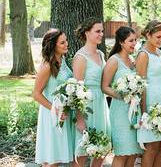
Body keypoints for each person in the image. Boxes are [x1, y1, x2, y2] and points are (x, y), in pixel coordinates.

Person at [101, 26, 143, 167]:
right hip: (119, 111)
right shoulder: (114, 60)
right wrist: (123, 95)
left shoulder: (132, 61)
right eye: (130, 40)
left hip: (134, 112)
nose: (134, 43)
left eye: (135, 40)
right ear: (121, 42)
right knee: (122, 153)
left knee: (132, 153)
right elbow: (105, 87)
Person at [72, 17, 110, 167]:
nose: (101, 34)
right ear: (87, 33)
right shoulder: (80, 57)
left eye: (102, 31)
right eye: (97, 31)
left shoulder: (100, 54)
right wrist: (80, 119)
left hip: (101, 105)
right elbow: (77, 90)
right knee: (82, 153)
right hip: (87, 108)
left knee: (102, 150)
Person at [33, 29, 74, 166]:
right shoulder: (47, 66)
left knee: (55, 157)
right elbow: (36, 94)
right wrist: (55, 109)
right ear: (53, 45)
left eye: (66, 40)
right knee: (52, 159)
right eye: (62, 42)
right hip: (51, 114)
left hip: (62, 113)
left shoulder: (62, 61)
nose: (66, 44)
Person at [136, 20, 161, 167]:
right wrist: (144, 111)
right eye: (158, 37)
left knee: (160, 145)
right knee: (151, 146)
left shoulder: (159, 53)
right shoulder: (143, 55)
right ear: (148, 35)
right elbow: (141, 85)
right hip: (150, 101)